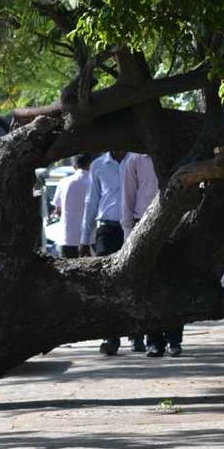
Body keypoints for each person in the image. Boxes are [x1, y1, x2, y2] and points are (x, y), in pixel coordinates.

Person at [121, 152, 184, 358]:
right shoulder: (134, 160)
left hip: (173, 223)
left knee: (173, 285)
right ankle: (154, 341)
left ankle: (174, 340)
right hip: (143, 224)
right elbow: (128, 198)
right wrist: (129, 235)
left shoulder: (175, 153)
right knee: (149, 286)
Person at [80, 150, 128, 355]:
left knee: (133, 280)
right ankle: (110, 336)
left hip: (134, 226)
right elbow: (91, 201)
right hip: (107, 228)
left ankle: (137, 334)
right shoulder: (99, 165)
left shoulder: (138, 160)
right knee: (106, 283)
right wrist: (84, 238)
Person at [51, 155, 92, 258]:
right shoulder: (95, 182)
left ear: (74, 165)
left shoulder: (63, 182)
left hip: (67, 236)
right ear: (89, 165)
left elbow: (58, 210)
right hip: (89, 238)